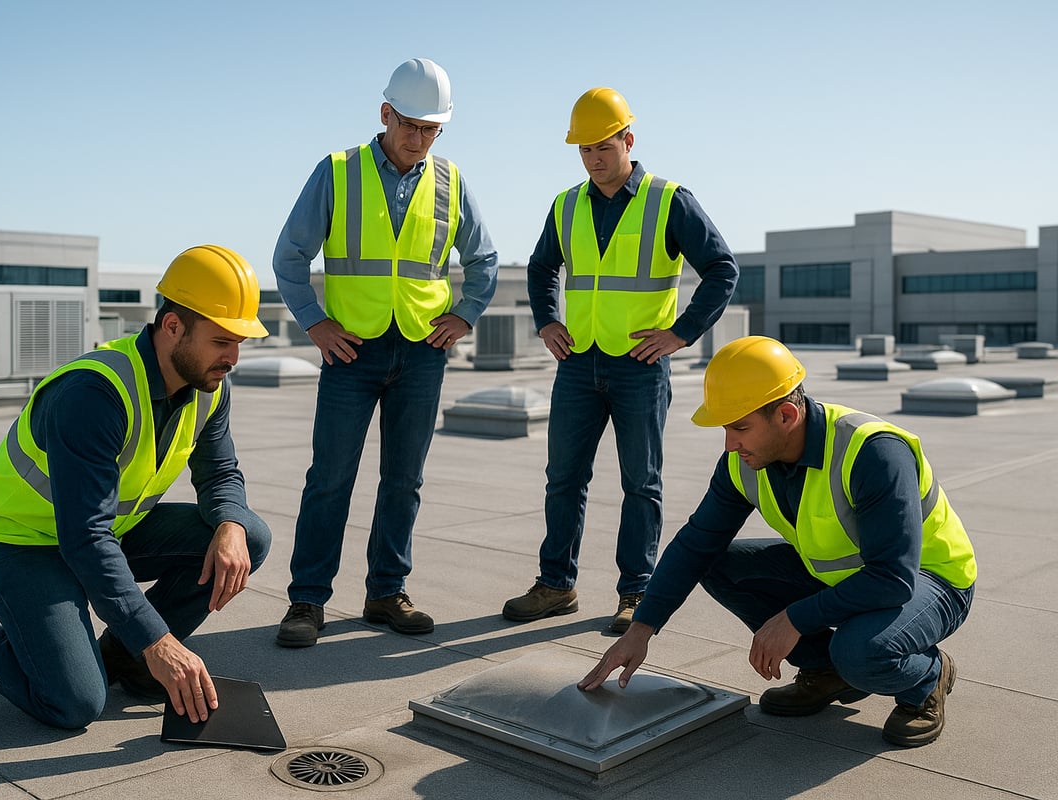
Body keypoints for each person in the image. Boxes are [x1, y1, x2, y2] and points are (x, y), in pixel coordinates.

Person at [0, 245, 274, 729]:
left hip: (106, 532)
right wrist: (159, 640)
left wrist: (231, 521)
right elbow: (84, 536)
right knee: (75, 703)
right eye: (221, 341)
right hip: (18, 541)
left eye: (240, 343)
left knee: (247, 535)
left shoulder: (209, 385)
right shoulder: (94, 394)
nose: (233, 358)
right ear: (172, 326)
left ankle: (126, 658)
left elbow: (221, 474)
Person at [579, 336, 977, 747]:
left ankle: (927, 678)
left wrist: (794, 619)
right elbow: (697, 543)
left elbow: (893, 578)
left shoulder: (873, 453)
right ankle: (826, 671)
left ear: (786, 415)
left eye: (740, 427)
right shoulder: (745, 461)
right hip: (847, 575)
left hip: (931, 580)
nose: (730, 444)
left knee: (860, 650)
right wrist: (641, 628)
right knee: (716, 562)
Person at [271, 57, 498, 648]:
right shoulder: (338, 172)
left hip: (422, 352)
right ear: (385, 114)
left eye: (431, 130)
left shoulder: (450, 181)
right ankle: (306, 601)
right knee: (330, 478)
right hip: (352, 350)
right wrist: (315, 325)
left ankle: (386, 592)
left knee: (404, 480)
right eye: (410, 126)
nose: (419, 139)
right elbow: (289, 257)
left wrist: (464, 314)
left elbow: (485, 261)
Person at [502, 87, 738, 633]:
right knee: (562, 479)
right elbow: (541, 269)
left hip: (640, 366)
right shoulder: (565, 205)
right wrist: (547, 320)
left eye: (602, 147)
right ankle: (556, 584)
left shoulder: (669, 199)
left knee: (642, 482)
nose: (593, 158)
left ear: (628, 140)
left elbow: (722, 269)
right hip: (579, 363)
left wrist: (679, 334)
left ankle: (636, 592)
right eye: (583, 149)